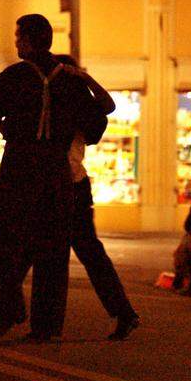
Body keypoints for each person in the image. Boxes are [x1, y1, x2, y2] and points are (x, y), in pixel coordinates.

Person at [0, 14, 108, 343]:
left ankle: (5, 312)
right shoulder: (69, 81)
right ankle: (47, 326)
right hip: (56, 174)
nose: (16, 42)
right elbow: (98, 123)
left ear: (30, 40)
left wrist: (6, 125)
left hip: (19, 169)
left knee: (5, 243)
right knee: (53, 251)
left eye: (19, 37)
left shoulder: (15, 77)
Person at [53, 54, 140, 341]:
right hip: (70, 184)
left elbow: (108, 105)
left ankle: (123, 312)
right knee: (87, 253)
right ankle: (123, 312)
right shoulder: (65, 104)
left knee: (86, 252)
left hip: (70, 183)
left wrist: (83, 77)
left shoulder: (74, 105)